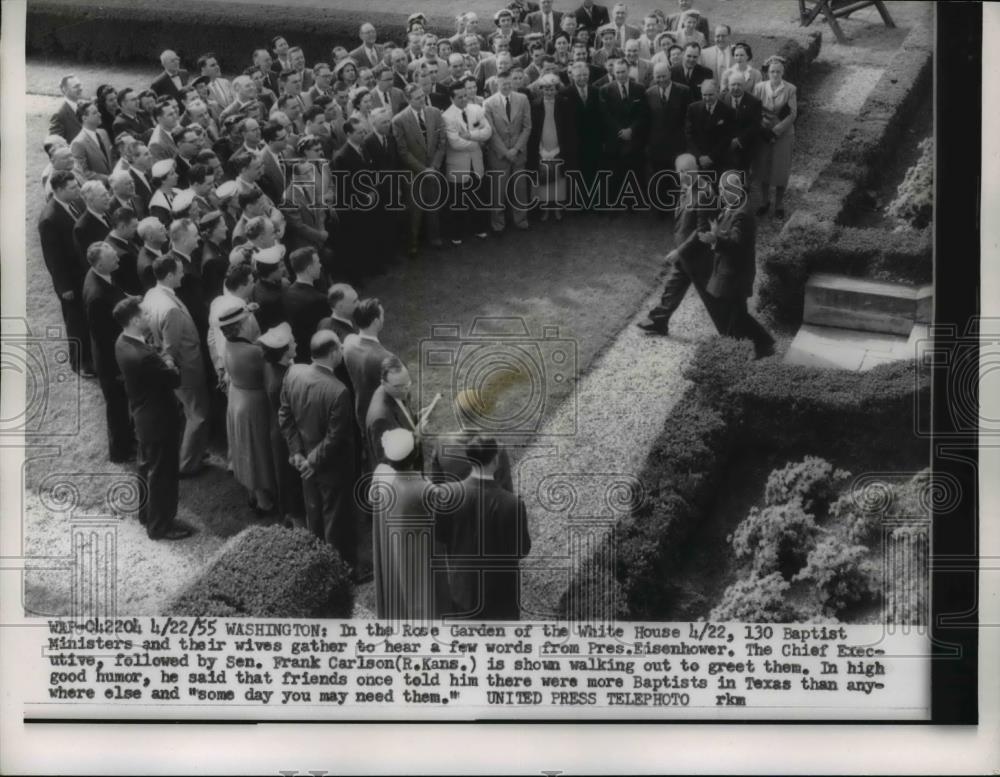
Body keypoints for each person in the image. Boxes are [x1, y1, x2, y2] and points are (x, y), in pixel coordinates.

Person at [278, 330, 360, 570]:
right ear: (334, 353)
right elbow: (335, 437)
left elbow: (285, 415)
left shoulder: (293, 373)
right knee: (337, 519)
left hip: (304, 461)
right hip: (331, 467)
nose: (343, 351)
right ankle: (342, 570)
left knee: (314, 513)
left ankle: (319, 562)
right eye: (340, 349)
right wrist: (311, 462)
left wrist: (297, 454)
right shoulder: (338, 391)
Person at [113, 297, 191, 540]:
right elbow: (174, 378)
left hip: (143, 416)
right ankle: (160, 525)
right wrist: (167, 359)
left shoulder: (122, 342)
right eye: (145, 315)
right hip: (159, 420)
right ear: (135, 320)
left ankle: (147, 514)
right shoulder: (144, 356)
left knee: (147, 468)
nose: (149, 318)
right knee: (163, 473)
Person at [435, 435, 531, 620]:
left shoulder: (446, 494)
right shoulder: (513, 504)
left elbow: (441, 536)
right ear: (495, 460)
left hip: (462, 592)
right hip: (500, 598)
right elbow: (522, 550)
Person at [142, 255, 211, 477]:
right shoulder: (170, 308)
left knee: (188, 411)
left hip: (180, 366)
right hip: (187, 367)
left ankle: (191, 453)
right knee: (198, 414)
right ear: (170, 275)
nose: (183, 275)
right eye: (180, 272)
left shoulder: (152, 294)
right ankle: (188, 463)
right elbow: (171, 347)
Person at [636, 152, 715, 336]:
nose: (682, 175)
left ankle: (733, 328)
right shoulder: (687, 186)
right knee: (673, 287)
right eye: (680, 172)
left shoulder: (703, 193)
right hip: (687, 256)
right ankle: (658, 322)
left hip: (698, 257)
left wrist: (679, 251)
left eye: (686, 171)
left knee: (712, 296)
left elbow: (701, 230)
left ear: (692, 170)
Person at [698, 169, 775, 358]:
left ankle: (751, 348)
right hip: (730, 272)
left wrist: (715, 239)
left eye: (724, 190)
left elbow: (735, 244)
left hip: (736, 275)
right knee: (737, 316)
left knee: (736, 317)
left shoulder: (742, 215)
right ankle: (762, 344)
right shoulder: (733, 207)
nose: (721, 194)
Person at [369, 427, 442, 620]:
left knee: (397, 590)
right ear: (415, 455)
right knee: (418, 595)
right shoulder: (423, 488)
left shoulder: (380, 475)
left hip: (390, 550)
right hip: (415, 555)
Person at [217, 299, 277, 513]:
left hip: (237, 399)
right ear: (241, 326)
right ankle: (263, 500)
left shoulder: (229, 344)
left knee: (244, 447)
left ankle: (253, 492)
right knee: (257, 450)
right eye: (247, 320)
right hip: (253, 404)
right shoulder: (253, 352)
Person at [82, 241, 134, 463]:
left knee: (122, 405)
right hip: (110, 362)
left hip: (113, 353)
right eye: (113, 258)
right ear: (100, 265)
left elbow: (117, 295)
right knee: (117, 407)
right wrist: (118, 369)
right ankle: (120, 452)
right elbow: (104, 339)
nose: (118, 260)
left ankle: (127, 441)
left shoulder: (102, 276)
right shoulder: (96, 296)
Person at [257, 323, 304, 527]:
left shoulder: (272, 366)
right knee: (291, 479)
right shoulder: (284, 380)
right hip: (287, 435)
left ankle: (290, 515)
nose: (296, 343)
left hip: (278, 429)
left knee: (286, 477)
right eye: (292, 342)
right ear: (284, 352)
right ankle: (297, 521)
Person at [391, 83, 447, 258]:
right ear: (408, 100)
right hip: (414, 173)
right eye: (417, 98)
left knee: (434, 206)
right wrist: (424, 170)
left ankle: (435, 238)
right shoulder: (399, 120)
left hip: (434, 168)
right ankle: (413, 243)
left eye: (423, 96)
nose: (422, 100)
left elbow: (442, 142)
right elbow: (403, 151)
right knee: (414, 211)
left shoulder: (435, 113)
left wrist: (435, 166)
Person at [442, 81, 492, 244]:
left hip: (476, 163)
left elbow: (488, 131)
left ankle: (479, 228)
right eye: (460, 97)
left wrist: (470, 135)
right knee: (458, 201)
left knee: (478, 196)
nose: (464, 99)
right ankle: (457, 234)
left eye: (465, 95)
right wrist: (478, 141)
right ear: (452, 98)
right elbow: (455, 143)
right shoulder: (447, 116)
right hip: (457, 164)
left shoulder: (476, 109)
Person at [483, 71, 532, 233]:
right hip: (499, 154)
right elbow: (491, 132)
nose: (507, 86)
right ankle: (498, 224)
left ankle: (521, 220)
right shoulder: (488, 103)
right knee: (498, 192)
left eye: (509, 83)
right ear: (497, 84)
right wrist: (506, 152)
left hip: (518, 152)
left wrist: (516, 149)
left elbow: (527, 127)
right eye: (504, 84)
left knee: (520, 188)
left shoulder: (522, 99)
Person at [644, 61, 691, 216]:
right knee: (659, 177)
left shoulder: (684, 91)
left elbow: (688, 118)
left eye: (664, 76)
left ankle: (679, 208)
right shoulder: (649, 93)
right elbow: (647, 120)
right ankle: (661, 208)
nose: (661, 80)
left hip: (677, 143)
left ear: (670, 74)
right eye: (658, 77)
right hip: (657, 144)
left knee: (678, 177)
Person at [753, 56, 797, 220]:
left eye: (778, 71)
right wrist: (763, 128)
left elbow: (792, 114)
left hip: (783, 135)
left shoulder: (790, 89)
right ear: (767, 72)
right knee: (763, 168)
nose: (775, 74)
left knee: (781, 170)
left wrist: (775, 131)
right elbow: (754, 109)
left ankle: (779, 204)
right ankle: (765, 202)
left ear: (783, 72)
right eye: (772, 71)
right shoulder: (759, 88)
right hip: (763, 134)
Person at [599, 59, 646, 210]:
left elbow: (643, 115)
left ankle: (634, 203)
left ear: (629, 71)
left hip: (634, 137)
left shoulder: (639, 88)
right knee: (615, 173)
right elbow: (606, 116)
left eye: (623, 72)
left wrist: (631, 130)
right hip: (615, 138)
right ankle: (615, 204)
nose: (620, 75)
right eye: (617, 72)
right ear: (613, 72)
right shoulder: (605, 90)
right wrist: (620, 131)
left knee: (635, 172)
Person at [365, 356, 428, 467]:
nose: (405, 390)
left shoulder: (398, 390)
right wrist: (415, 438)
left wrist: (416, 418)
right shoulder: (380, 419)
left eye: (407, 383)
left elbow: (402, 417)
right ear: (383, 383)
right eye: (398, 387)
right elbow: (387, 460)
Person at [343, 297, 394, 433]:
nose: (384, 317)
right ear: (376, 321)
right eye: (382, 314)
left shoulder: (348, 342)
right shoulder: (385, 358)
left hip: (361, 411)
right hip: (383, 417)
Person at [527, 73, 569, 219]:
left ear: (556, 89)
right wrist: (541, 149)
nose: (549, 92)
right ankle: (545, 209)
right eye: (546, 89)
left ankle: (557, 208)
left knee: (558, 178)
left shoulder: (564, 103)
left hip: (558, 145)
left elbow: (566, 128)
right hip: (542, 146)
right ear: (541, 89)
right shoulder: (535, 104)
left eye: (552, 89)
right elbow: (534, 130)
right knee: (543, 178)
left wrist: (560, 147)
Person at [282, 247, 330, 363]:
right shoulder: (319, 300)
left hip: (298, 355)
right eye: (317, 262)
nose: (320, 265)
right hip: (318, 356)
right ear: (309, 269)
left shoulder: (286, 294)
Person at [684, 78, 734, 174]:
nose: (707, 98)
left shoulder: (727, 111)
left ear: (717, 92)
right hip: (697, 160)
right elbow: (689, 134)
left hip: (718, 160)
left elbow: (727, 137)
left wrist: (711, 157)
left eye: (710, 95)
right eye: (704, 95)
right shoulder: (693, 108)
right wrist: (700, 157)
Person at [722, 71, 761, 174]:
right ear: (728, 85)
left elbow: (755, 126)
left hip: (745, 145)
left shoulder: (754, 102)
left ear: (744, 86)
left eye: (739, 84)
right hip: (725, 145)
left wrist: (739, 140)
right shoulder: (722, 99)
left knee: (742, 176)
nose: (736, 87)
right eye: (733, 84)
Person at [70, 100, 115, 182]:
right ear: (84, 118)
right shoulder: (78, 143)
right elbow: (83, 172)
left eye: (98, 112)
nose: (100, 114)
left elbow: (111, 157)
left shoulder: (103, 133)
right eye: (95, 113)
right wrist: (108, 179)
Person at [51, 74, 84, 140]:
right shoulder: (59, 114)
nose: (80, 89)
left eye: (80, 85)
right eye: (76, 86)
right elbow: (54, 142)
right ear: (65, 90)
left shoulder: (83, 106)